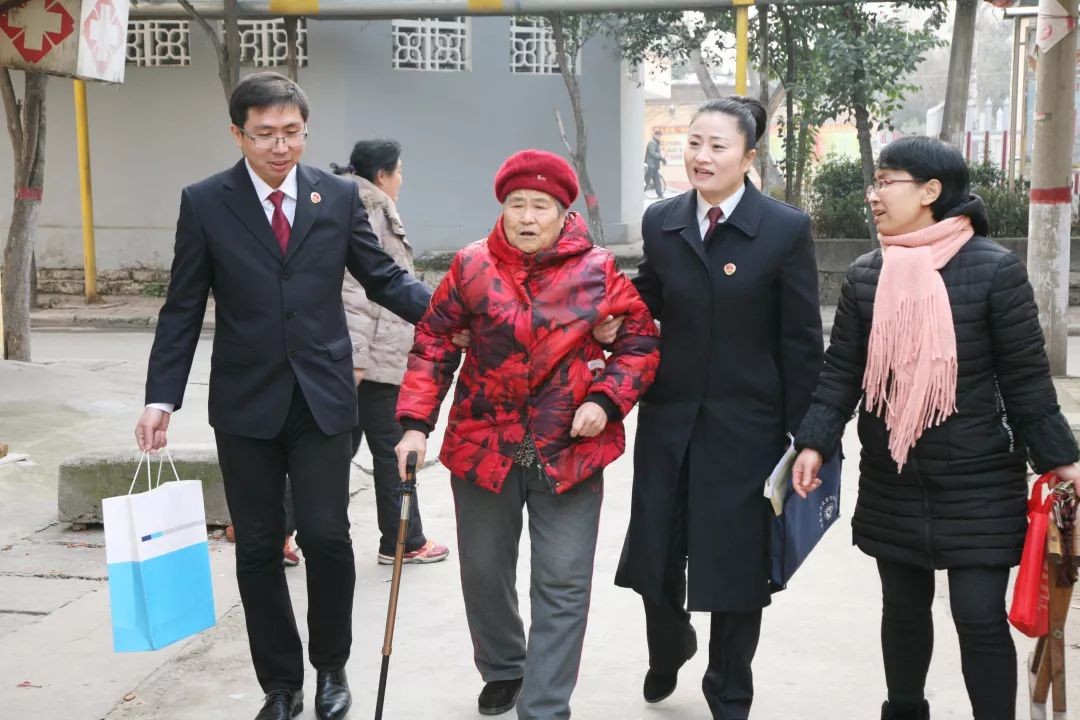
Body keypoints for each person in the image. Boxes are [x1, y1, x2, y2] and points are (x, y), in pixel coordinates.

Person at [134, 72, 431, 720]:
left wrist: (451, 314)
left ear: (305, 132)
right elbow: (183, 306)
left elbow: (381, 277)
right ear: (237, 133)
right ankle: (280, 685)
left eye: (291, 133)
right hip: (246, 402)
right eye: (264, 133)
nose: (280, 146)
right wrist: (161, 398)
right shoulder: (206, 202)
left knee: (326, 536)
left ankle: (331, 669)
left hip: (323, 396)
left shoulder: (337, 196)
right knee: (260, 545)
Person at [790, 136, 1080, 720]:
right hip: (894, 476)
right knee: (902, 611)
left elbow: (1026, 380)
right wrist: (814, 442)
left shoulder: (995, 270)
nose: (873, 195)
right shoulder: (867, 275)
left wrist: (1060, 460)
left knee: (978, 617)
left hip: (979, 480)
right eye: (874, 182)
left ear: (930, 191)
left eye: (886, 182)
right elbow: (842, 372)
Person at [394, 149, 660, 719]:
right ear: (502, 208)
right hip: (483, 442)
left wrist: (605, 401)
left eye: (541, 205)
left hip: (569, 448)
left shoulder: (597, 271)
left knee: (562, 582)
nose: (528, 216)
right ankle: (504, 667)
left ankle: (544, 705)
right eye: (517, 204)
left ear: (563, 213)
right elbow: (433, 343)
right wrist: (415, 425)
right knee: (484, 573)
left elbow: (639, 344)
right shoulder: (471, 266)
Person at [611, 97, 823, 719]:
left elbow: (801, 342)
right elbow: (649, 295)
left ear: (748, 157)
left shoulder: (783, 229)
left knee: (735, 568)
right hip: (669, 418)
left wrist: (808, 436)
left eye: (718, 146)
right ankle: (669, 643)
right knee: (654, 549)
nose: (701, 157)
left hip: (747, 428)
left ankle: (729, 690)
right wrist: (608, 316)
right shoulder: (663, 220)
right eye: (694, 143)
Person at [332, 140, 449, 566]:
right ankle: (405, 541)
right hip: (371, 363)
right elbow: (354, 293)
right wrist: (357, 360)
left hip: (373, 359)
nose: (401, 180)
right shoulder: (368, 208)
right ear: (382, 175)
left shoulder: (358, 202)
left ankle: (278, 530)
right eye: (398, 171)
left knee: (335, 449)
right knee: (390, 450)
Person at [644, 128, 666, 196]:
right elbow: (652, 153)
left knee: (657, 181)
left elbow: (656, 153)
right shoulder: (652, 142)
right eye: (659, 135)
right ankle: (639, 194)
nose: (660, 137)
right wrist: (661, 157)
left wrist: (661, 158)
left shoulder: (655, 142)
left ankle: (660, 195)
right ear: (655, 135)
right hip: (650, 165)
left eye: (660, 136)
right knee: (647, 181)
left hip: (654, 166)